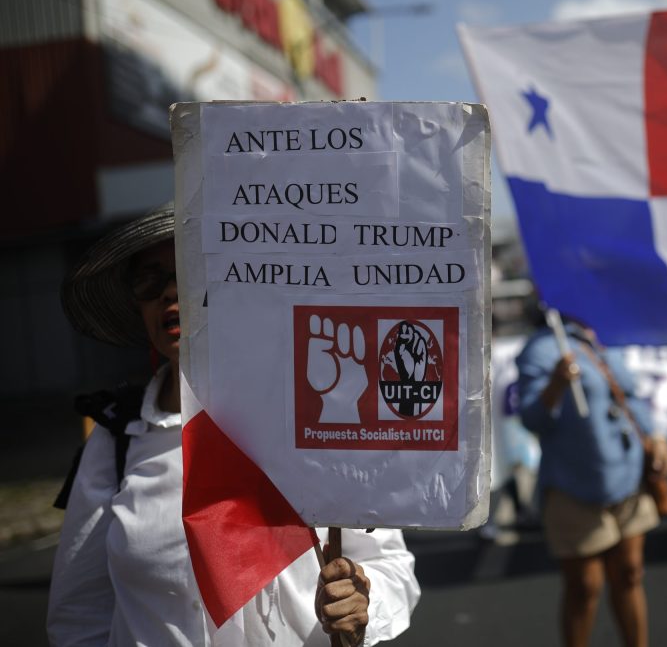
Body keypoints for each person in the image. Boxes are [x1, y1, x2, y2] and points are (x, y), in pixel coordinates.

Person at [49, 204, 420, 646]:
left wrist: (363, 604)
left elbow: (392, 569)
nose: (170, 293)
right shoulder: (118, 437)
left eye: (191, 269)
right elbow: (79, 615)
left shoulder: (320, 415)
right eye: (149, 281)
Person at [517, 315, 667, 647]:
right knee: (584, 587)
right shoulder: (540, 349)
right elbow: (531, 418)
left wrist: (656, 437)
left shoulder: (603, 340)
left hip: (627, 475)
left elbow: (629, 398)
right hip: (573, 483)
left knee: (630, 573)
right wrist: (555, 385)